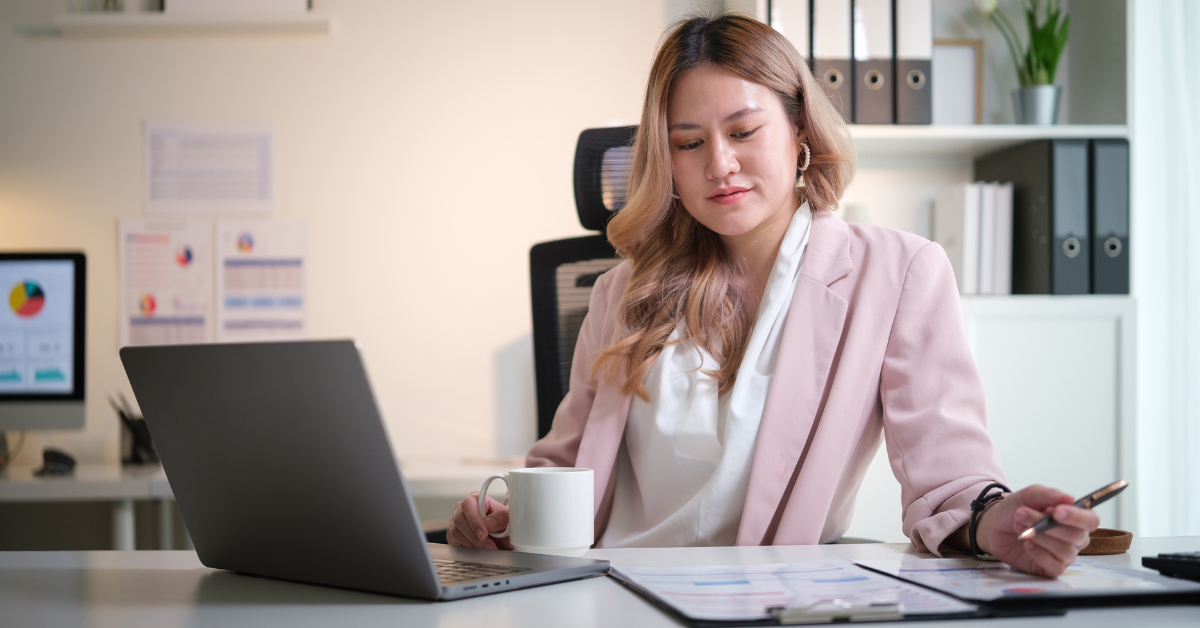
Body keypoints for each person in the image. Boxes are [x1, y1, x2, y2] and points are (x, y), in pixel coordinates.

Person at [448, 14, 1098, 577]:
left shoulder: (898, 274)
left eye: (743, 131)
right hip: (612, 590)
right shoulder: (621, 291)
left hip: (768, 597)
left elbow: (949, 478)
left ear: (800, 132)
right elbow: (563, 468)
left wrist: (995, 520)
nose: (719, 165)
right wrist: (499, 519)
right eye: (689, 143)